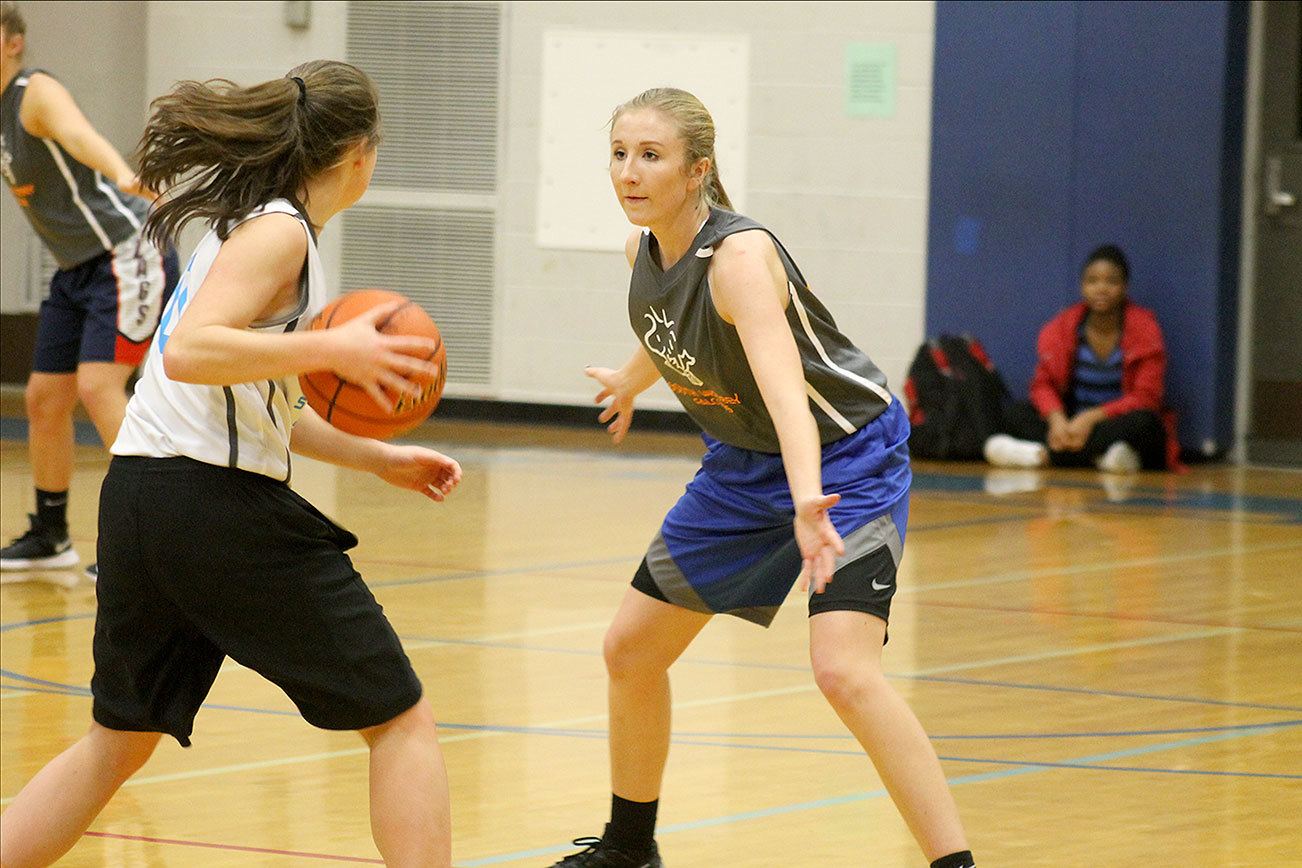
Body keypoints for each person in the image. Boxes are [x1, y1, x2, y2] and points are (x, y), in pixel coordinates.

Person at [0, 61, 461, 868]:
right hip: (211, 505)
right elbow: (189, 353)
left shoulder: (248, 221)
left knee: (120, 740)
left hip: (143, 495)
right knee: (400, 719)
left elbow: (264, 398)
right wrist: (337, 343)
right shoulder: (280, 230)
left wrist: (379, 457)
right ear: (358, 153)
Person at [550, 88, 974, 868]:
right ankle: (629, 850)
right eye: (619, 154)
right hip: (743, 470)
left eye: (650, 156)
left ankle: (955, 863)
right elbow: (672, 326)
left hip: (844, 459)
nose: (628, 172)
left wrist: (810, 497)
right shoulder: (643, 251)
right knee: (631, 651)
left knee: (844, 671)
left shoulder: (740, 257)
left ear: (696, 170)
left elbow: (786, 391)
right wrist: (630, 379)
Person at [0, 0, 179, 578]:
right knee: (45, 400)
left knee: (102, 388)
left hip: (126, 252)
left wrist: (122, 172)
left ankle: (157, 544)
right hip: (75, 267)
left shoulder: (34, 91)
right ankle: (51, 536)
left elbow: (79, 135)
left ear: (12, 42)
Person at [983, 244, 1180, 473]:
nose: (1101, 289)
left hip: (1113, 422)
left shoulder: (1145, 329)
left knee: (1148, 425)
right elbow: (1042, 385)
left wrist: (1092, 418)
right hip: (1071, 422)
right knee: (1015, 413)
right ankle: (1103, 459)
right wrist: (1057, 420)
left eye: (1111, 282)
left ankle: (1040, 456)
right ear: (1082, 287)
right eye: (1092, 281)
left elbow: (1146, 397)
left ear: (1125, 287)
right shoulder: (1063, 327)